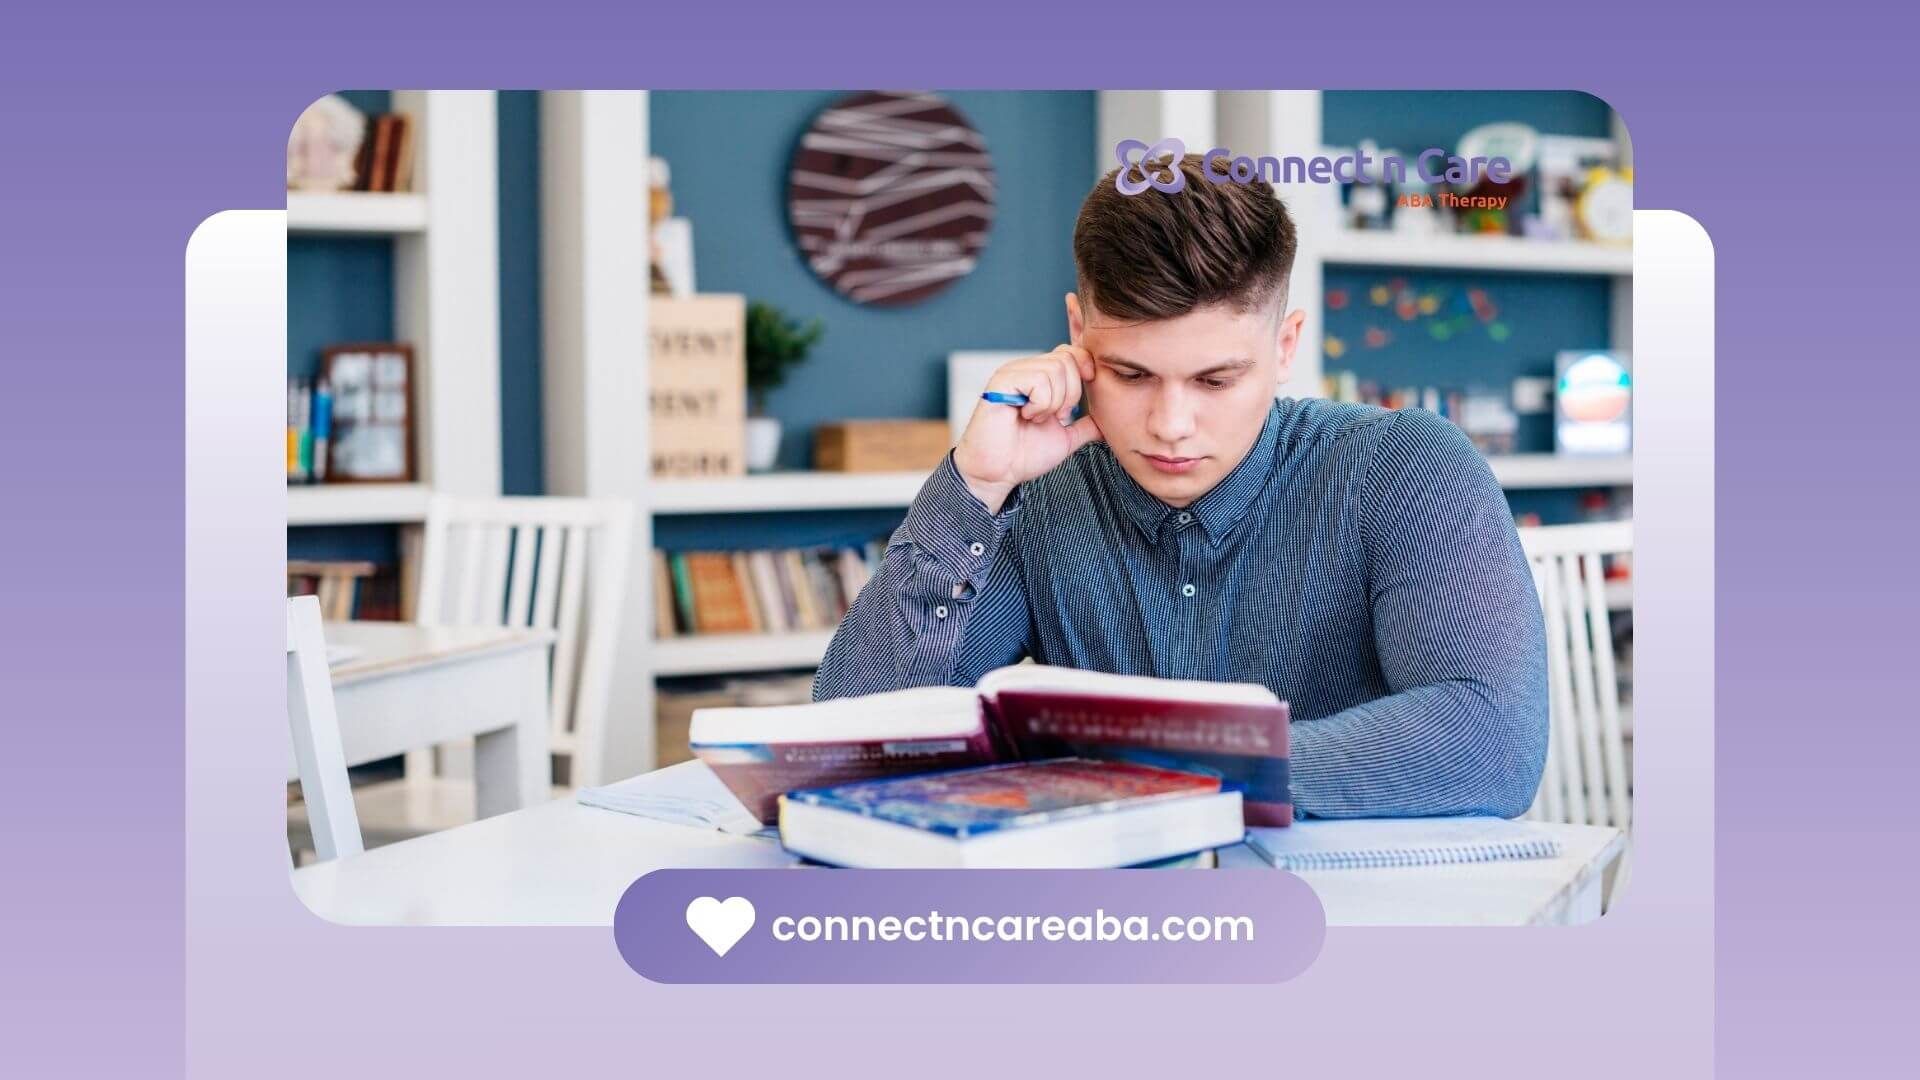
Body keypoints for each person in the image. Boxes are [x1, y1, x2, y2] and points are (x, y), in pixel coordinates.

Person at [813, 152, 1548, 819]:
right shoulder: (1034, 495)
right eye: (1132, 375)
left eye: (1216, 379)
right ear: (1077, 330)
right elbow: (854, 743)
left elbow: (1492, 739)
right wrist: (974, 488)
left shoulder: (1406, 467)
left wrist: (1172, 771)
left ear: (1285, 346)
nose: (1170, 424)